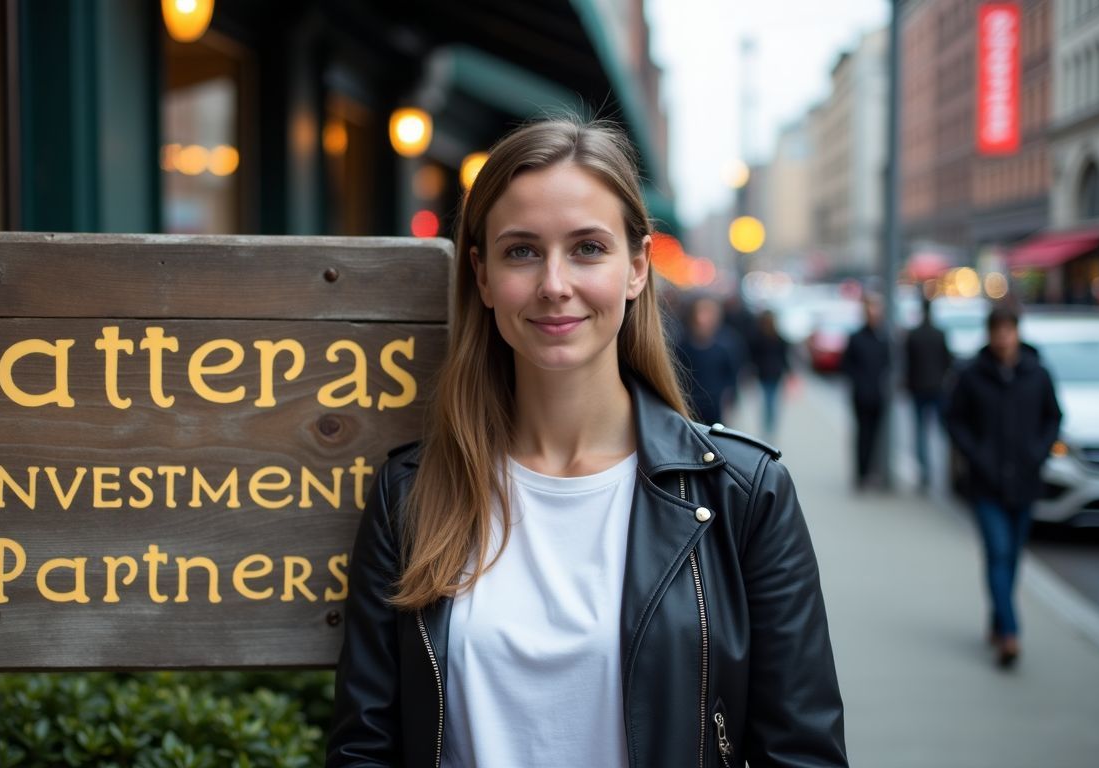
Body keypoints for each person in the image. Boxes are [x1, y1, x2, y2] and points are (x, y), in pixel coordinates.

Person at [327, 119, 846, 767]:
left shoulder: (746, 495)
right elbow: (365, 748)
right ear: (482, 278)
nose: (553, 283)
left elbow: (801, 754)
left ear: (636, 267)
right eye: (521, 251)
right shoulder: (411, 493)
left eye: (587, 248)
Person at [944, 305, 1061, 668]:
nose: (1002, 338)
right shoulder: (972, 375)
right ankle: (1010, 633)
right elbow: (952, 418)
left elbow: (1053, 417)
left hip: (1025, 481)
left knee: (1012, 556)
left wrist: (1038, 452)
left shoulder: (1037, 373)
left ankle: (998, 618)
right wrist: (974, 454)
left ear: (1017, 332)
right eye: (997, 331)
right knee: (997, 552)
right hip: (986, 482)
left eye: (1008, 331)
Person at [840, 294, 891, 489]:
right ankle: (861, 473)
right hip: (861, 395)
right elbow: (847, 366)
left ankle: (872, 471)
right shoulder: (856, 338)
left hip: (878, 395)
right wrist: (859, 382)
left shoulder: (883, 338)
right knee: (862, 435)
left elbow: (888, 364)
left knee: (875, 435)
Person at [903, 296, 954, 490]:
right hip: (937, 388)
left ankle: (925, 472)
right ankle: (946, 471)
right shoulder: (939, 334)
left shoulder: (914, 334)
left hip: (918, 388)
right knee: (943, 433)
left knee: (920, 432)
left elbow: (907, 363)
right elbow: (947, 361)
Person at [673, 294, 743, 426]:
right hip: (689, 406)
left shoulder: (727, 343)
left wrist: (731, 398)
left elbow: (732, 375)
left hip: (716, 406)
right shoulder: (682, 344)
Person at [750, 309, 790, 440]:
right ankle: (769, 425)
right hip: (769, 373)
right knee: (770, 400)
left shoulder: (762, 337)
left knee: (769, 400)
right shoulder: (773, 337)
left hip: (769, 373)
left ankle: (768, 425)